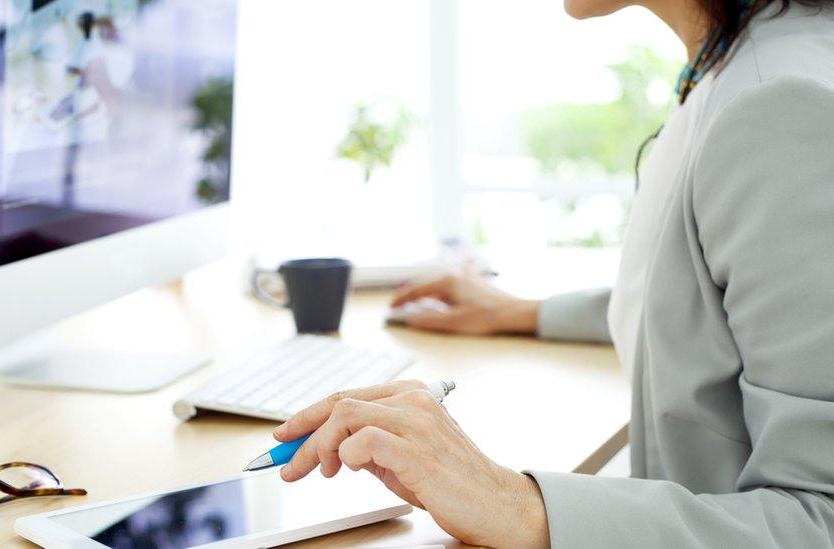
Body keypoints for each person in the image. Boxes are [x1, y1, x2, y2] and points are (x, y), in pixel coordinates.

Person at [274, 1, 834, 547]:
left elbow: (820, 521)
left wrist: (516, 504)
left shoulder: (779, 105)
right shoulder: (750, 62)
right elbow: (722, 301)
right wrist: (523, 313)